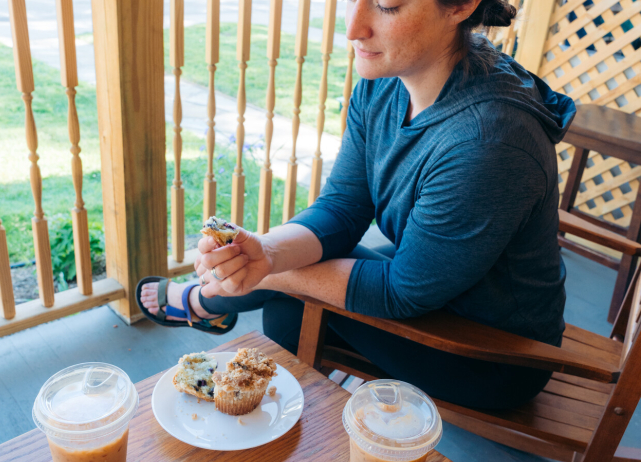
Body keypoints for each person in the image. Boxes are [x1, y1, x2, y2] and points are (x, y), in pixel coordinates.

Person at [139, 0, 576, 409]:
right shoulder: (390, 77)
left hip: (491, 352)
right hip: (437, 283)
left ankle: (201, 305)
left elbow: (400, 292)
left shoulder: (488, 141)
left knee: (287, 297)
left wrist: (271, 270)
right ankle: (206, 307)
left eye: (387, 5)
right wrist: (266, 252)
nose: (353, 28)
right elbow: (344, 208)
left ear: (461, 5)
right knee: (287, 300)